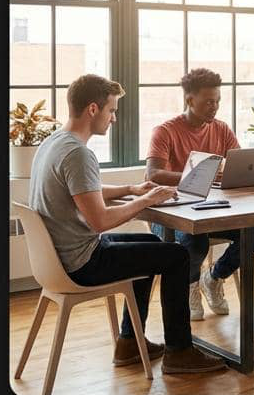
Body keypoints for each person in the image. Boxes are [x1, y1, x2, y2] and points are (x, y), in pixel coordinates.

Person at [29, 74, 224, 373]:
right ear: (93, 109)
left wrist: (131, 190)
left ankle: (129, 343)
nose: (114, 119)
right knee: (177, 256)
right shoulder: (78, 153)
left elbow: (84, 190)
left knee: (154, 246)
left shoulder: (55, 142)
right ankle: (180, 352)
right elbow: (101, 221)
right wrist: (146, 201)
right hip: (82, 263)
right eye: (112, 111)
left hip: (59, 258)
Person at [144, 68, 254, 321]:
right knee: (194, 240)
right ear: (190, 100)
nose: (215, 107)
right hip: (168, 215)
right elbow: (153, 175)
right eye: (209, 101)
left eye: (218, 101)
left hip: (209, 209)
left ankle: (215, 277)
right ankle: (190, 287)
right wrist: (199, 176)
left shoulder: (221, 129)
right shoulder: (165, 131)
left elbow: (240, 163)